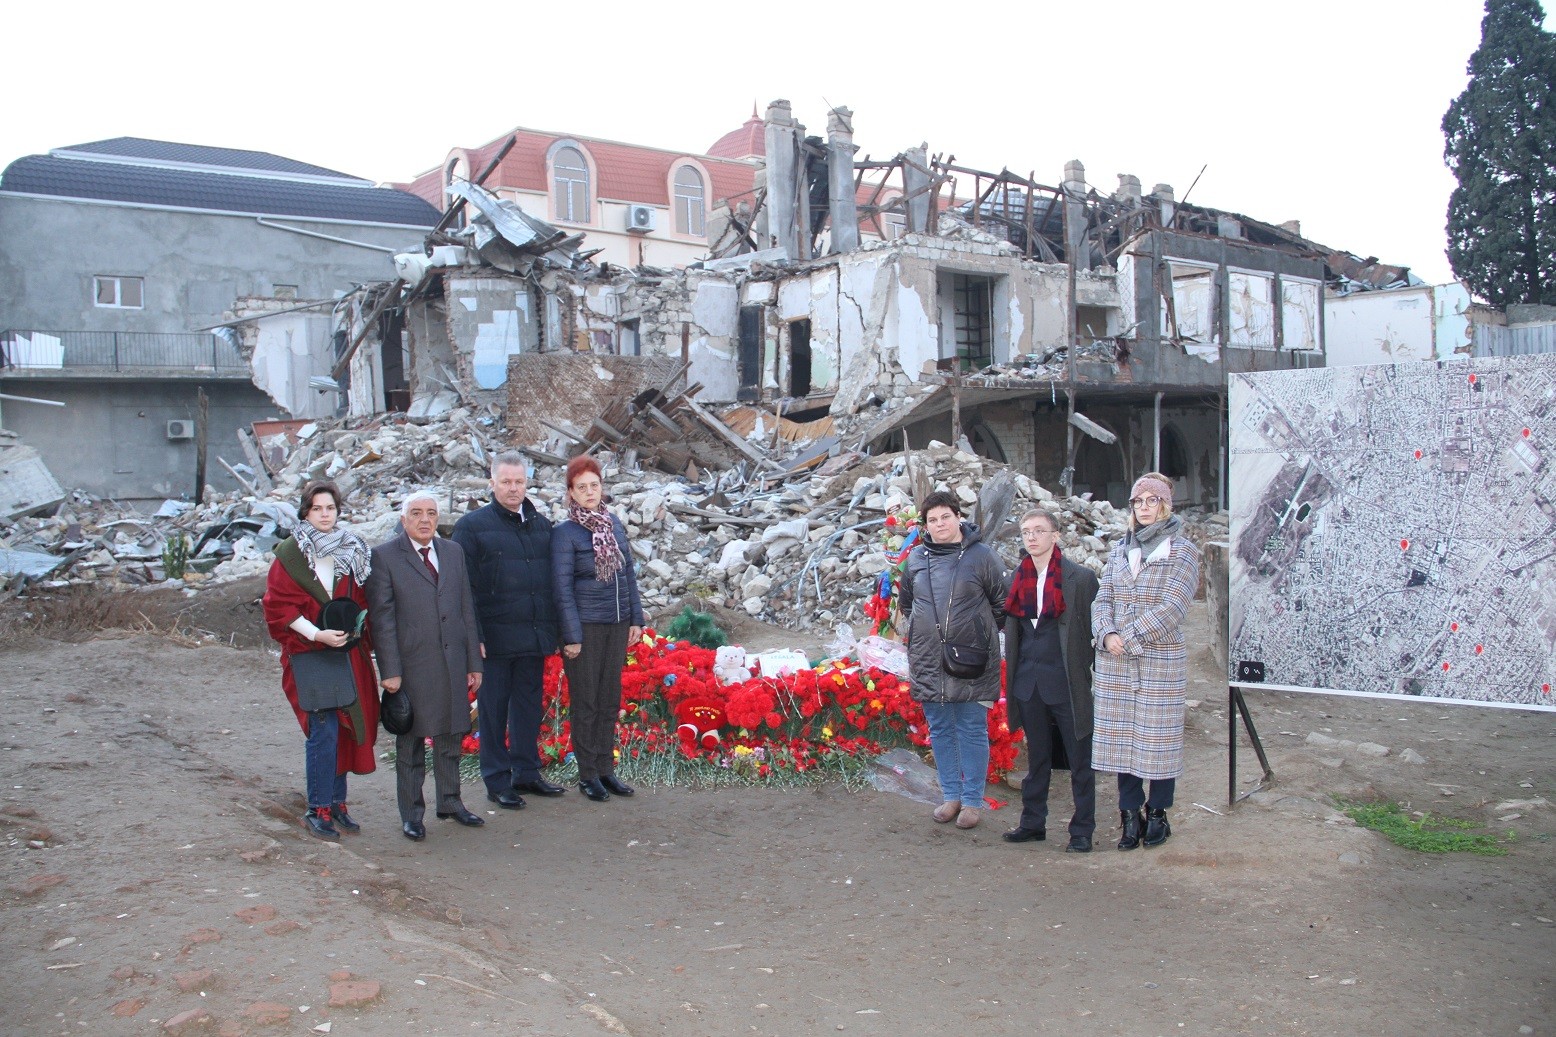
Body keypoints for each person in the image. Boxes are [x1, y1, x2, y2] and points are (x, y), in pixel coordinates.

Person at [262, 481, 380, 841]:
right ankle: (319, 808)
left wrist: (358, 629)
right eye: (317, 509)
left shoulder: (352, 550)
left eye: (330, 508)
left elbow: (362, 602)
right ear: (305, 512)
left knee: (347, 726)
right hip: (309, 655)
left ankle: (338, 803)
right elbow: (278, 605)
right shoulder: (292, 555)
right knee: (323, 728)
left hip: (346, 653)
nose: (325, 515)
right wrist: (317, 635)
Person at [365, 490, 485, 841]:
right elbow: (382, 620)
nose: (424, 519)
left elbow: (466, 608)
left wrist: (473, 662)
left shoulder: (453, 552)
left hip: (451, 662)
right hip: (412, 667)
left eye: (431, 513)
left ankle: (450, 802)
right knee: (412, 743)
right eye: (416, 513)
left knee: (450, 735)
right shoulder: (385, 557)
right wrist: (389, 671)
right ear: (404, 520)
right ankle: (412, 814)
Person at [1091, 473, 1202, 850]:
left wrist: (1131, 636)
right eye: (1138, 502)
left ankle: (1157, 813)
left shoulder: (1182, 551)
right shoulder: (1121, 549)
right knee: (1122, 741)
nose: (1144, 508)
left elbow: (1174, 606)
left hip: (1158, 660)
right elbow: (1102, 596)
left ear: (1165, 505)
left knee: (1157, 741)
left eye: (1152, 501)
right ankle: (1128, 816)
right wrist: (1106, 634)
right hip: (1116, 661)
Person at [452, 452, 564, 810]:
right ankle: (497, 780)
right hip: (495, 640)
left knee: (528, 708)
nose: (513, 488)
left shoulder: (541, 525)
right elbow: (463, 588)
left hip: (531, 636)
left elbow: (549, 583)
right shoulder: (472, 527)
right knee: (493, 709)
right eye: (506, 482)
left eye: (519, 482)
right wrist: (475, 636)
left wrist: (553, 632)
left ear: (526, 483)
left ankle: (527, 773)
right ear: (492, 483)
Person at [899, 490, 1006, 830]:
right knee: (941, 728)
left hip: (971, 659)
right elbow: (907, 604)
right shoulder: (915, 558)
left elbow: (1001, 604)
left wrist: (975, 633)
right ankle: (951, 796)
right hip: (929, 659)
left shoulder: (982, 556)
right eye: (932, 520)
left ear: (958, 517)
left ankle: (972, 801)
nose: (940, 524)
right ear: (925, 525)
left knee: (972, 728)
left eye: (945, 516)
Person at [1000, 509, 1100, 853]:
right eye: (1026, 531)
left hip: (1067, 683)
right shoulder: (1017, 577)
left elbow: (1093, 632)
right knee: (1037, 758)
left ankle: (1082, 829)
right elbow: (1015, 634)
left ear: (1055, 536)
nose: (1031, 537)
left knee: (1080, 761)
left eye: (1039, 531)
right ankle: (1032, 823)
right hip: (1029, 683)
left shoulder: (1081, 579)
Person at [551, 456, 644, 803]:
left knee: (608, 699)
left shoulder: (613, 524)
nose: (590, 492)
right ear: (571, 493)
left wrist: (636, 618)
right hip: (586, 628)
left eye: (594, 485)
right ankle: (588, 774)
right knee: (586, 701)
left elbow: (628, 573)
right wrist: (571, 635)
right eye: (582, 487)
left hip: (617, 623)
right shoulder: (565, 534)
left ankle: (606, 769)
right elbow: (561, 588)